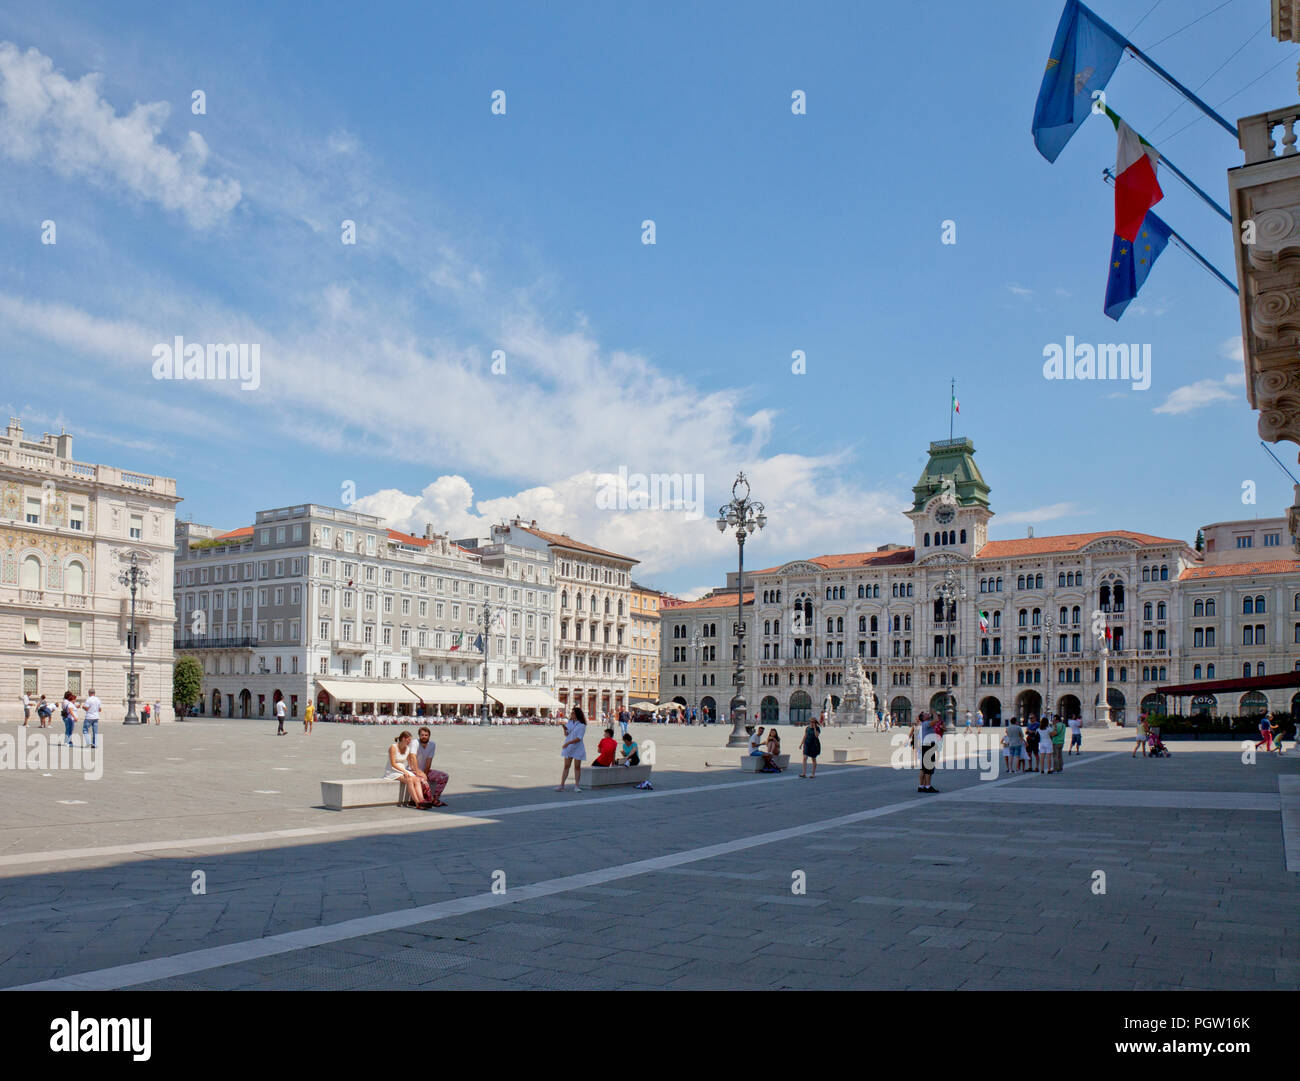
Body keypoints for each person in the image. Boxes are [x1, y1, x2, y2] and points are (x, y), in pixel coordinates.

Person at [385, 732, 430, 808]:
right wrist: (404, 771)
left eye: (410, 740)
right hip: (392, 770)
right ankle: (417, 803)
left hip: (402, 769)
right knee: (409, 780)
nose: (410, 742)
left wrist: (418, 772)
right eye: (408, 740)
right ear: (403, 739)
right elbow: (393, 763)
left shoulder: (407, 749)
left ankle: (422, 800)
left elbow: (410, 764)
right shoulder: (393, 747)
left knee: (417, 779)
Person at [411, 727, 449, 806]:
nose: (424, 737)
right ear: (419, 735)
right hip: (413, 770)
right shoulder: (415, 742)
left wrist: (425, 773)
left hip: (424, 770)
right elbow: (413, 757)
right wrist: (418, 772)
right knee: (421, 779)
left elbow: (429, 761)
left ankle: (435, 799)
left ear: (429, 736)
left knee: (444, 776)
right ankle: (426, 799)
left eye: (426, 735)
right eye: (422, 735)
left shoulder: (432, 745)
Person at [557, 706, 587, 791]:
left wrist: (568, 743)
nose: (571, 714)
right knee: (566, 766)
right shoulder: (570, 722)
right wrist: (564, 728)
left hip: (577, 747)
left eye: (573, 713)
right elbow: (566, 734)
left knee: (577, 767)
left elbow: (579, 738)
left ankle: (577, 786)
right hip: (569, 746)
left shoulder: (582, 725)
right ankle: (562, 785)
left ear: (577, 714)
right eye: (571, 713)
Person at [917, 711, 942, 793]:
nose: (928, 714)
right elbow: (936, 720)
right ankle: (928, 786)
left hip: (926, 746)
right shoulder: (926, 723)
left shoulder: (925, 723)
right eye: (926, 714)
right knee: (929, 768)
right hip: (928, 747)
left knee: (924, 768)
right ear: (923, 718)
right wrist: (934, 712)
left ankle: (922, 786)